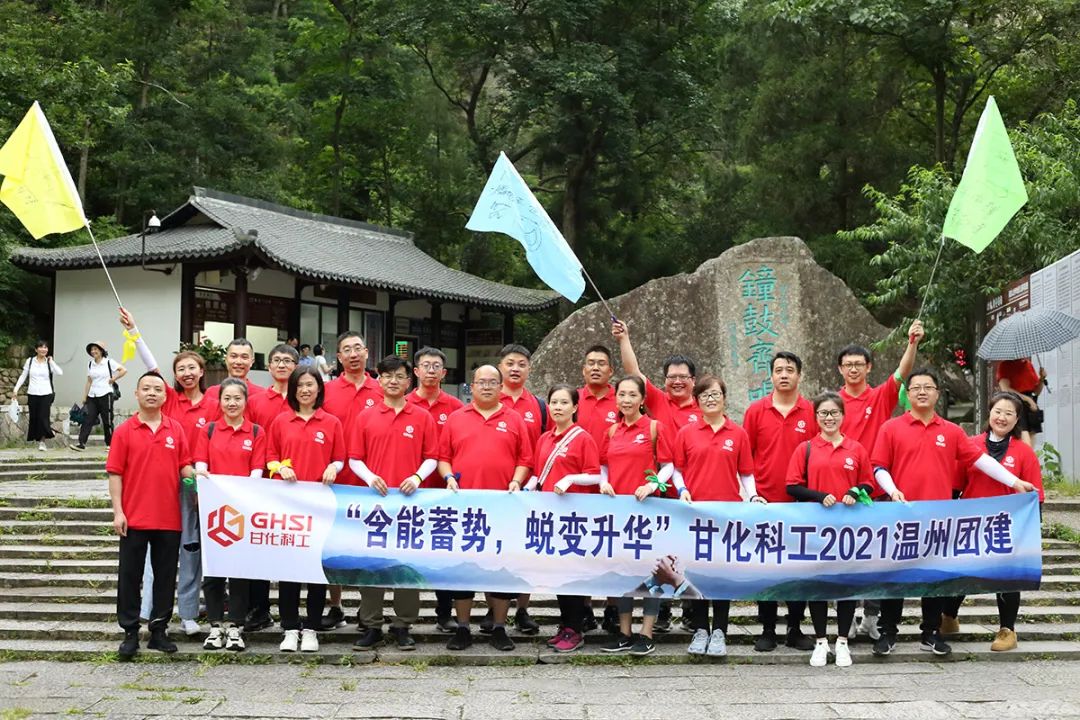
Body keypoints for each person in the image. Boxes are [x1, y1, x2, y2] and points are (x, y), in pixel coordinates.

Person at [870, 368, 1037, 658]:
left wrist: (1014, 482)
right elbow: (878, 467)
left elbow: (981, 460)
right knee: (896, 576)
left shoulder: (951, 431)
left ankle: (931, 633)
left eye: (928, 387)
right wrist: (893, 490)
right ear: (907, 395)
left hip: (939, 518)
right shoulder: (891, 428)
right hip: (901, 515)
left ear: (938, 394)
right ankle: (888, 633)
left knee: (935, 578)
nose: (922, 392)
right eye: (916, 387)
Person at [120, 308, 221, 636]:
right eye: (181, 369)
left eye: (192, 368)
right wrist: (134, 331)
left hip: (197, 484)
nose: (187, 373)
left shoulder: (214, 404)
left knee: (191, 549)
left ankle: (188, 612)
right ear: (174, 376)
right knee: (156, 551)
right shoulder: (170, 400)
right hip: (165, 485)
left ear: (202, 371)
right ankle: (150, 611)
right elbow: (150, 366)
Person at [835, 319, 924, 641]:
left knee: (878, 557)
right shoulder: (832, 404)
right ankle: (846, 616)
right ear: (840, 369)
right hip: (841, 493)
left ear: (868, 367)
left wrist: (912, 343)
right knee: (844, 558)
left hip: (876, 492)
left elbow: (902, 372)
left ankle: (871, 617)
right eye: (848, 364)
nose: (853, 369)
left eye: (859, 364)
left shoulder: (880, 397)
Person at [436, 365, 532, 652]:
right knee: (463, 570)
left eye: (492, 382)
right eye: (481, 382)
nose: (487, 387)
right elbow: (443, 458)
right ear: (472, 386)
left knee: (501, 569)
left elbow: (525, 459)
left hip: (503, 508)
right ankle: (463, 628)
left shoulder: (514, 419)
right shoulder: (456, 418)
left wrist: (516, 481)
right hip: (464, 508)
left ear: (501, 387)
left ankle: (500, 628)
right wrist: (449, 477)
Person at [941, 391, 1044, 651]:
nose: (1002, 417)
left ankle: (1007, 630)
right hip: (971, 523)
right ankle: (948, 618)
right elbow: (955, 487)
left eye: (1009, 413)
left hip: (1007, 526)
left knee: (1007, 577)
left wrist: (1032, 531)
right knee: (962, 573)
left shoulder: (1024, 453)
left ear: (1017, 419)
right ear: (990, 413)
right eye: (998, 411)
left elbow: (1035, 497)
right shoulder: (970, 445)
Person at [348, 355, 438, 652]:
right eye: (387, 376)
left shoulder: (421, 417)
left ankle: (403, 625)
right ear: (379, 380)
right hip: (375, 504)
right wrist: (370, 477)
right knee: (372, 566)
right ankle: (372, 624)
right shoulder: (366, 416)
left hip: (409, 505)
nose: (393, 381)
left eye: (399, 376)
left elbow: (432, 457)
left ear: (408, 381)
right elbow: (354, 459)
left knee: (405, 566)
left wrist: (417, 476)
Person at [611, 320, 696, 632]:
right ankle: (660, 614)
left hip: (691, 495)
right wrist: (624, 339)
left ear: (693, 381)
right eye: (671, 377)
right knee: (657, 557)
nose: (677, 382)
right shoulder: (659, 401)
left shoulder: (704, 407)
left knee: (688, 554)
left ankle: (691, 611)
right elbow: (633, 372)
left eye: (683, 377)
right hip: (657, 497)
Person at [106, 371, 195, 660]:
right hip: (133, 518)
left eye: (158, 389)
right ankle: (130, 632)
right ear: (137, 394)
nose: (152, 393)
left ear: (165, 396)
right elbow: (115, 474)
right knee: (129, 576)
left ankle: (159, 630)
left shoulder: (175, 429)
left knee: (165, 576)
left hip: (169, 518)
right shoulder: (124, 431)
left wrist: (200, 477)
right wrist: (118, 512)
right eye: (146, 388)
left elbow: (184, 466)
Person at [672, 375, 762, 658]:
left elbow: (746, 473)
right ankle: (700, 629)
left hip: (727, 515)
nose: (710, 400)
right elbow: (677, 470)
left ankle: (720, 631)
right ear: (696, 401)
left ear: (724, 398)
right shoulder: (686, 433)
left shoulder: (738, 433)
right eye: (704, 396)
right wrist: (683, 489)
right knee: (697, 573)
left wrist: (753, 496)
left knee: (722, 575)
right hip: (694, 514)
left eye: (715, 394)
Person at [786, 391, 876, 668]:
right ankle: (821, 641)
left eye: (834, 413)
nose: (829, 418)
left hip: (848, 530)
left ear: (842, 416)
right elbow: (792, 486)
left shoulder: (855, 448)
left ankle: (843, 642)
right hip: (816, 530)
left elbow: (869, 483)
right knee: (819, 586)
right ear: (816, 417)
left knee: (845, 586)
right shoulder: (806, 448)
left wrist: (855, 491)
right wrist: (818, 496)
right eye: (823, 413)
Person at [267, 366, 346, 653]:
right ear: (293, 389)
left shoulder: (331, 422)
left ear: (319, 389)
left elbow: (340, 458)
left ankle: (311, 628)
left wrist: (333, 467)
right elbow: (270, 457)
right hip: (288, 507)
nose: (305, 390)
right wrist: (281, 468)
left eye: (310, 384)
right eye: (299, 385)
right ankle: (289, 628)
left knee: (315, 571)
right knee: (289, 571)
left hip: (319, 506)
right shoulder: (280, 421)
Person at [741, 351, 816, 652]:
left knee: (799, 570)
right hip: (765, 503)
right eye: (779, 370)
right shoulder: (756, 411)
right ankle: (767, 629)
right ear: (771, 375)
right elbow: (745, 458)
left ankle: (795, 628)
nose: (784, 375)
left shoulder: (811, 412)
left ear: (800, 375)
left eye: (790, 370)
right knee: (766, 569)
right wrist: (750, 495)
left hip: (801, 505)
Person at [598, 375, 674, 657]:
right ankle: (625, 632)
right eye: (622, 394)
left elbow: (668, 466)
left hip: (648, 512)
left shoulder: (654, 427)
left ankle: (647, 633)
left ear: (642, 399)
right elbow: (603, 466)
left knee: (651, 572)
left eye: (632, 395)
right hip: (619, 514)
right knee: (623, 573)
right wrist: (603, 483)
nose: (626, 400)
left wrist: (652, 485)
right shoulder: (611, 431)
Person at [524, 384, 603, 653]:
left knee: (573, 574)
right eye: (554, 402)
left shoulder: (583, 438)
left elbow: (595, 475)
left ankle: (575, 629)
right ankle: (566, 625)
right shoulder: (544, 439)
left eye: (564, 402)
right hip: (550, 517)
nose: (558, 407)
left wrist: (570, 479)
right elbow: (538, 475)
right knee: (558, 573)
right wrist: (525, 488)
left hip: (575, 517)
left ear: (575, 407)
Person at [193, 378, 267, 651]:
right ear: (220, 401)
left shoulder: (256, 432)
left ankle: (236, 626)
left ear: (245, 401)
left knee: (239, 571)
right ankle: (215, 626)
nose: (232, 403)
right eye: (227, 398)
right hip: (213, 511)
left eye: (237, 398)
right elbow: (201, 464)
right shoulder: (209, 430)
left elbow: (257, 471)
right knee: (213, 571)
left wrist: (241, 495)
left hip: (242, 512)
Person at [319, 330, 384, 628]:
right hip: (335, 481)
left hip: (373, 482)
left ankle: (366, 609)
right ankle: (335, 605)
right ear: (339, 357)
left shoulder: (382, 388)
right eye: (347, 349)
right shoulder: (327, 390)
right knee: (333, 547)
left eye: (358, 348)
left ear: (367, 352)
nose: (354, 354)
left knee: (367, 546)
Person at [407, 346, 464, 634]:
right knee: (407, 553)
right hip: (409, 491)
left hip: (444, 491)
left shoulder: (456, 407)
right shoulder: (404, 403)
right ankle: (404, 617)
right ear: (416, 371)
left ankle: (445, 613)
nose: (431, 370)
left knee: (444, 553)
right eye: (425, 365)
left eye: (436, 366)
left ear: (444, 373)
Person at [496, 344, 544, 635]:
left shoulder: (539, 405)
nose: (515, 368)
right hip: (495, 490)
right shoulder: (489, 399)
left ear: (529, 368)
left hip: (530, 491)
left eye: (521, 364)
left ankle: (523, 609)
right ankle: (493, 611)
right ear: (500, 367)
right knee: (494, 551)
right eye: (510, 363)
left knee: (526, 552)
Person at [74, 341, 126, 451]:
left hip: (106, 394)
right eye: (92, 350)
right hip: (92, 395)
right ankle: (81, 443)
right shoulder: (90, 364)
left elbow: (123, 370)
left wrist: (114, 379)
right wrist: (85, 396)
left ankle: (110, 444)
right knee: (87, 418)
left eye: (96, 349)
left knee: (107, 420)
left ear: (101, 351)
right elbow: (89, 381)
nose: (93, 351)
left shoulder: (109, 362)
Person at [11, 340, 62, 451]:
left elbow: (59, 372)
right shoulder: (30, 361)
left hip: (46, 393)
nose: (44, 349)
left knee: (43, 417)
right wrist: (15, 390)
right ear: (36, 349)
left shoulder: (48, 362)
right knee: (35, 417)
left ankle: (42, 442)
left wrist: (52, 362)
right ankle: (46, 433)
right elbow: (23, 376)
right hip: (33, 393)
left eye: (45, 347)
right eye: (41, 347)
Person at [995, 357, 1046, 447]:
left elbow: (1036, 392)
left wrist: (1042, 378)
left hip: (1031, 406)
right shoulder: (1005, 365)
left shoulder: (1028, 364)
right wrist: (1027, 399)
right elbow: (1005, 389)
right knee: (1025, 440)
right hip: (1016, 404)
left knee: (1032, 439)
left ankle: (1029, 456)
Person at [202, 338, 264, 410]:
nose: (238, 362)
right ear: (226, 360)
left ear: (252, 361)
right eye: (234, 356)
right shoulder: (212, 393)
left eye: (244, 357)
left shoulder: (261, 394)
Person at [576, 344, 618, 448]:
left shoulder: (621, 401)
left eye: (601, 364)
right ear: (584, 370)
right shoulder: (572, 399)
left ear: (610, 371)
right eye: (591, 363)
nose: (595, 368)